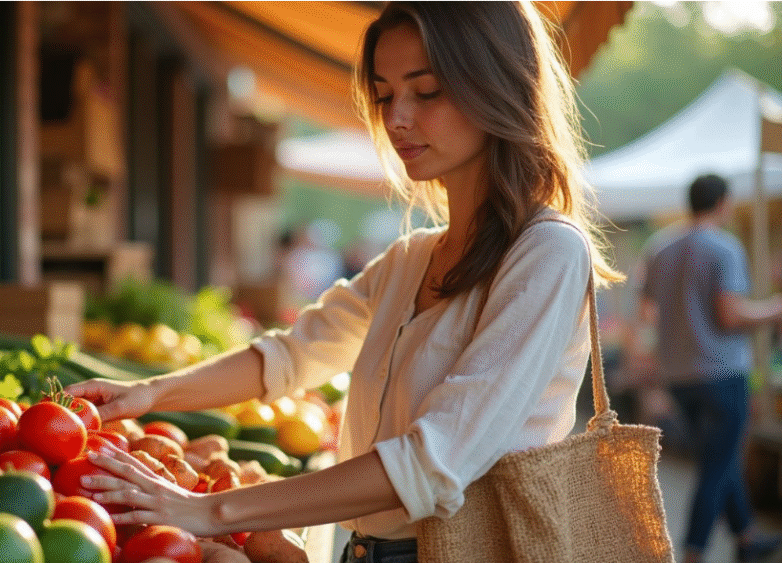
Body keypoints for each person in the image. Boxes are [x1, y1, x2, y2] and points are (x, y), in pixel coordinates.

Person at [67, 2, 622, 559]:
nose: (396, 118)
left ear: (499, 89)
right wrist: (149, 393)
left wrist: (208, 511)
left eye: (425, 91)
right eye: (384, 96)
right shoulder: (412, 258)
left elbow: (433, 462)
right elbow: (291, 356)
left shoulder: (547, 254)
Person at [641, 173, 782, 563]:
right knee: (717, 463)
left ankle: (748, 538)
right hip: (720, 372)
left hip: (677, 375)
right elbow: (730, 315)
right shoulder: (724, 247)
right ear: (722, 202)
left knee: (718, 457)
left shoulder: (660, 248)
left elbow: (647, 310)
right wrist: (774, 309)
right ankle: (693, 552)